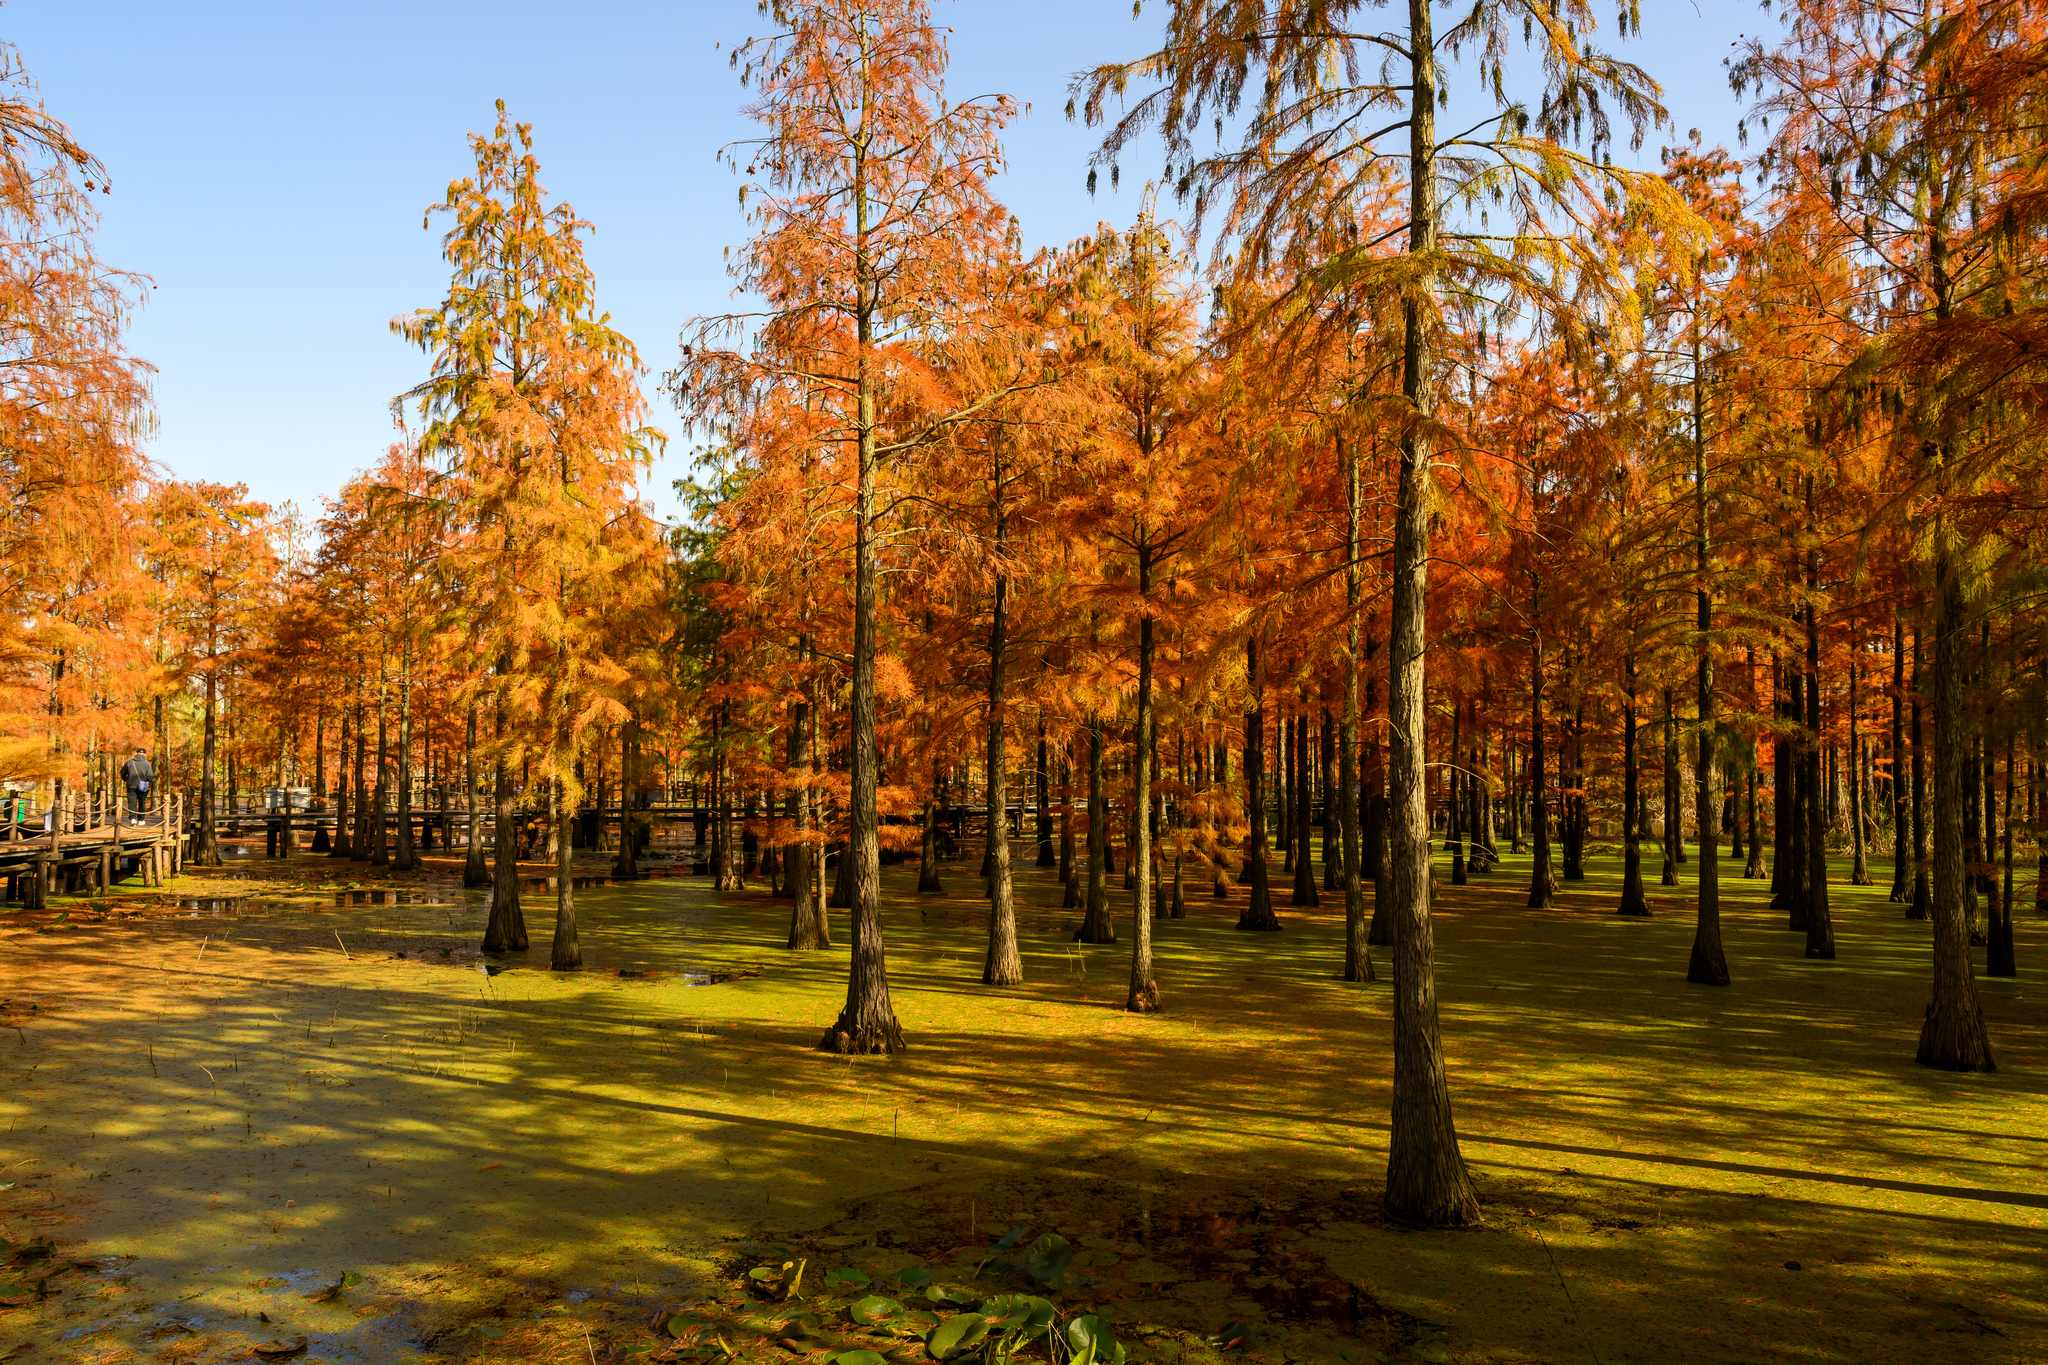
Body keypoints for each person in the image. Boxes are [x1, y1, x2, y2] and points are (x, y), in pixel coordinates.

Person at [120, 748, 154, 824]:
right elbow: (150, 775)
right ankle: (141, 820)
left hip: (131, 785)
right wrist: (149, 784)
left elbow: (122, 772)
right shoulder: (147, 763)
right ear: (145, 754)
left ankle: (132, 819)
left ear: (136, 753)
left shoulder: (129, 762)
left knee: (132, 802)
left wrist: (125, 779)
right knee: (142, 802)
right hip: (143, 786)